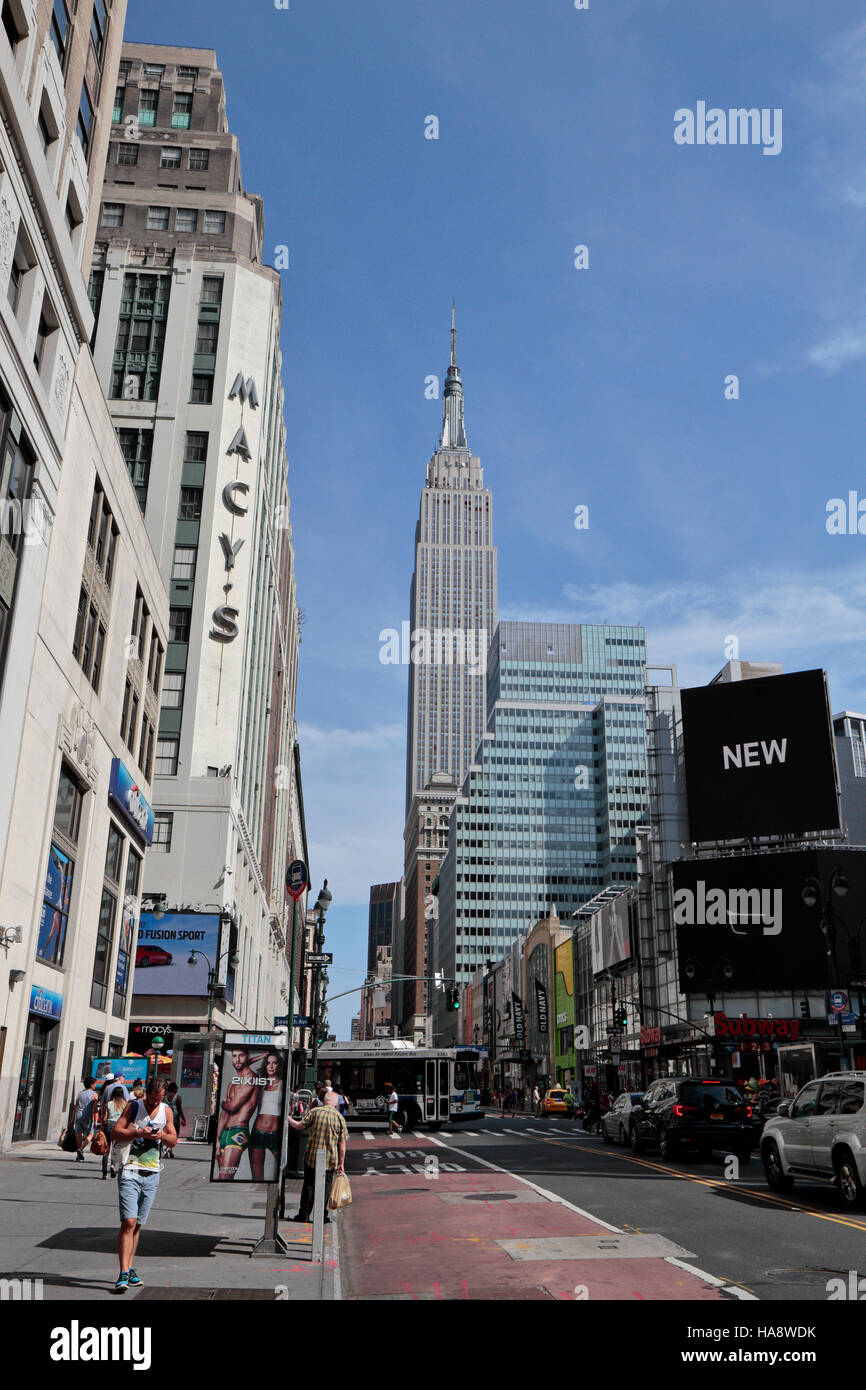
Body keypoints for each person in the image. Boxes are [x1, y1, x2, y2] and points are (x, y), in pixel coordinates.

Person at [110, 1077, 176, 1291]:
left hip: (152, 1172)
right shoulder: (134, 1106)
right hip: (130, 1169)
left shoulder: (166, 1111)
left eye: (159, 1100)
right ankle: (122, 1273)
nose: (155, 1103)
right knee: (128, 1222)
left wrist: (161, 1136)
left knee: (137, 1224)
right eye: (152, 1100)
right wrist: (138, 1132)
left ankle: (129, 1270)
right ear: (146, 1094)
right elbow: (116, 1132)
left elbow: (174, 1140)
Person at [287, 1091, 348, 1223]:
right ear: (336, 1104)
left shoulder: (315, 1112)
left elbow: (299, 1126)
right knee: (325, 1187)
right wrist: (341, 1163)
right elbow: (342, 1146)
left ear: (324, 1101)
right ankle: (321, 1215)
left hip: (312, 1157)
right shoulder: (339, 1118)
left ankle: (304, 1213)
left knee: (309, 1185)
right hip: (330, 1160)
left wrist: (286, 1118)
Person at [215, 1047, 262, 1180]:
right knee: (222, 1177)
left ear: (247, 1056)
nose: (237, 1059)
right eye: (234, 1056)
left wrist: (223, 1103)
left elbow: (232, 1106)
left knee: (225, 1175)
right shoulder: (233, 1083)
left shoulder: (251, 1079)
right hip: (225, 1132)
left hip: (238, 1132)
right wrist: (217, 1139)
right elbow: (224, 1114)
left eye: (241, 1055)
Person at [249, 1050, 284, 1182]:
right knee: (257, 1177)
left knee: (282, 1168)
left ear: (278, 1065)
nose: (270, 1066)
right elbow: (246, 1064)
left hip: (275, 1133)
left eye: (274, 1063)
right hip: (258, 1132)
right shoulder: (261, 1083)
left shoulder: (282, 1084)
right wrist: (263, 1055)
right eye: (268, 1063)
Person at [100, 1077, 129, 1179]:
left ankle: (104, 1173)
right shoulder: (125, 1104)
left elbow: (104, 1117)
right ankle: (113, 1165)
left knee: (106, 1149)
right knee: (116, 1148)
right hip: (118, 1128)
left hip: (108, 1126)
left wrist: (102, 1126)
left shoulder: (109, 1104)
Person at [73, 1077, 98, 1163]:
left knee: (79, 1135)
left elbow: (75, 1106)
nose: (95, 1085)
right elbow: (95, 1109)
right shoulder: (94, 1094)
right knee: (90, 1134)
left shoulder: (80, 1093)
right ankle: (81, 1148)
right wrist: (96, 1120)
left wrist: (72, 1119)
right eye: (95, 1083)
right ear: (91, 1084)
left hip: (78, 1115)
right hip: (87, 1116)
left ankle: (78, 1156)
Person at [164, 1082, 186, 1158]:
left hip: (165, 1117)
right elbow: (180, 1110)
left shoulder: (164, 1097)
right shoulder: (177, 1097)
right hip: (175, 1118)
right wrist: (184, 1119)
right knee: (174, 1135)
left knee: (166, 1134)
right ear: (175, 1089)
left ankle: (167, 1150)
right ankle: (170, 1149)